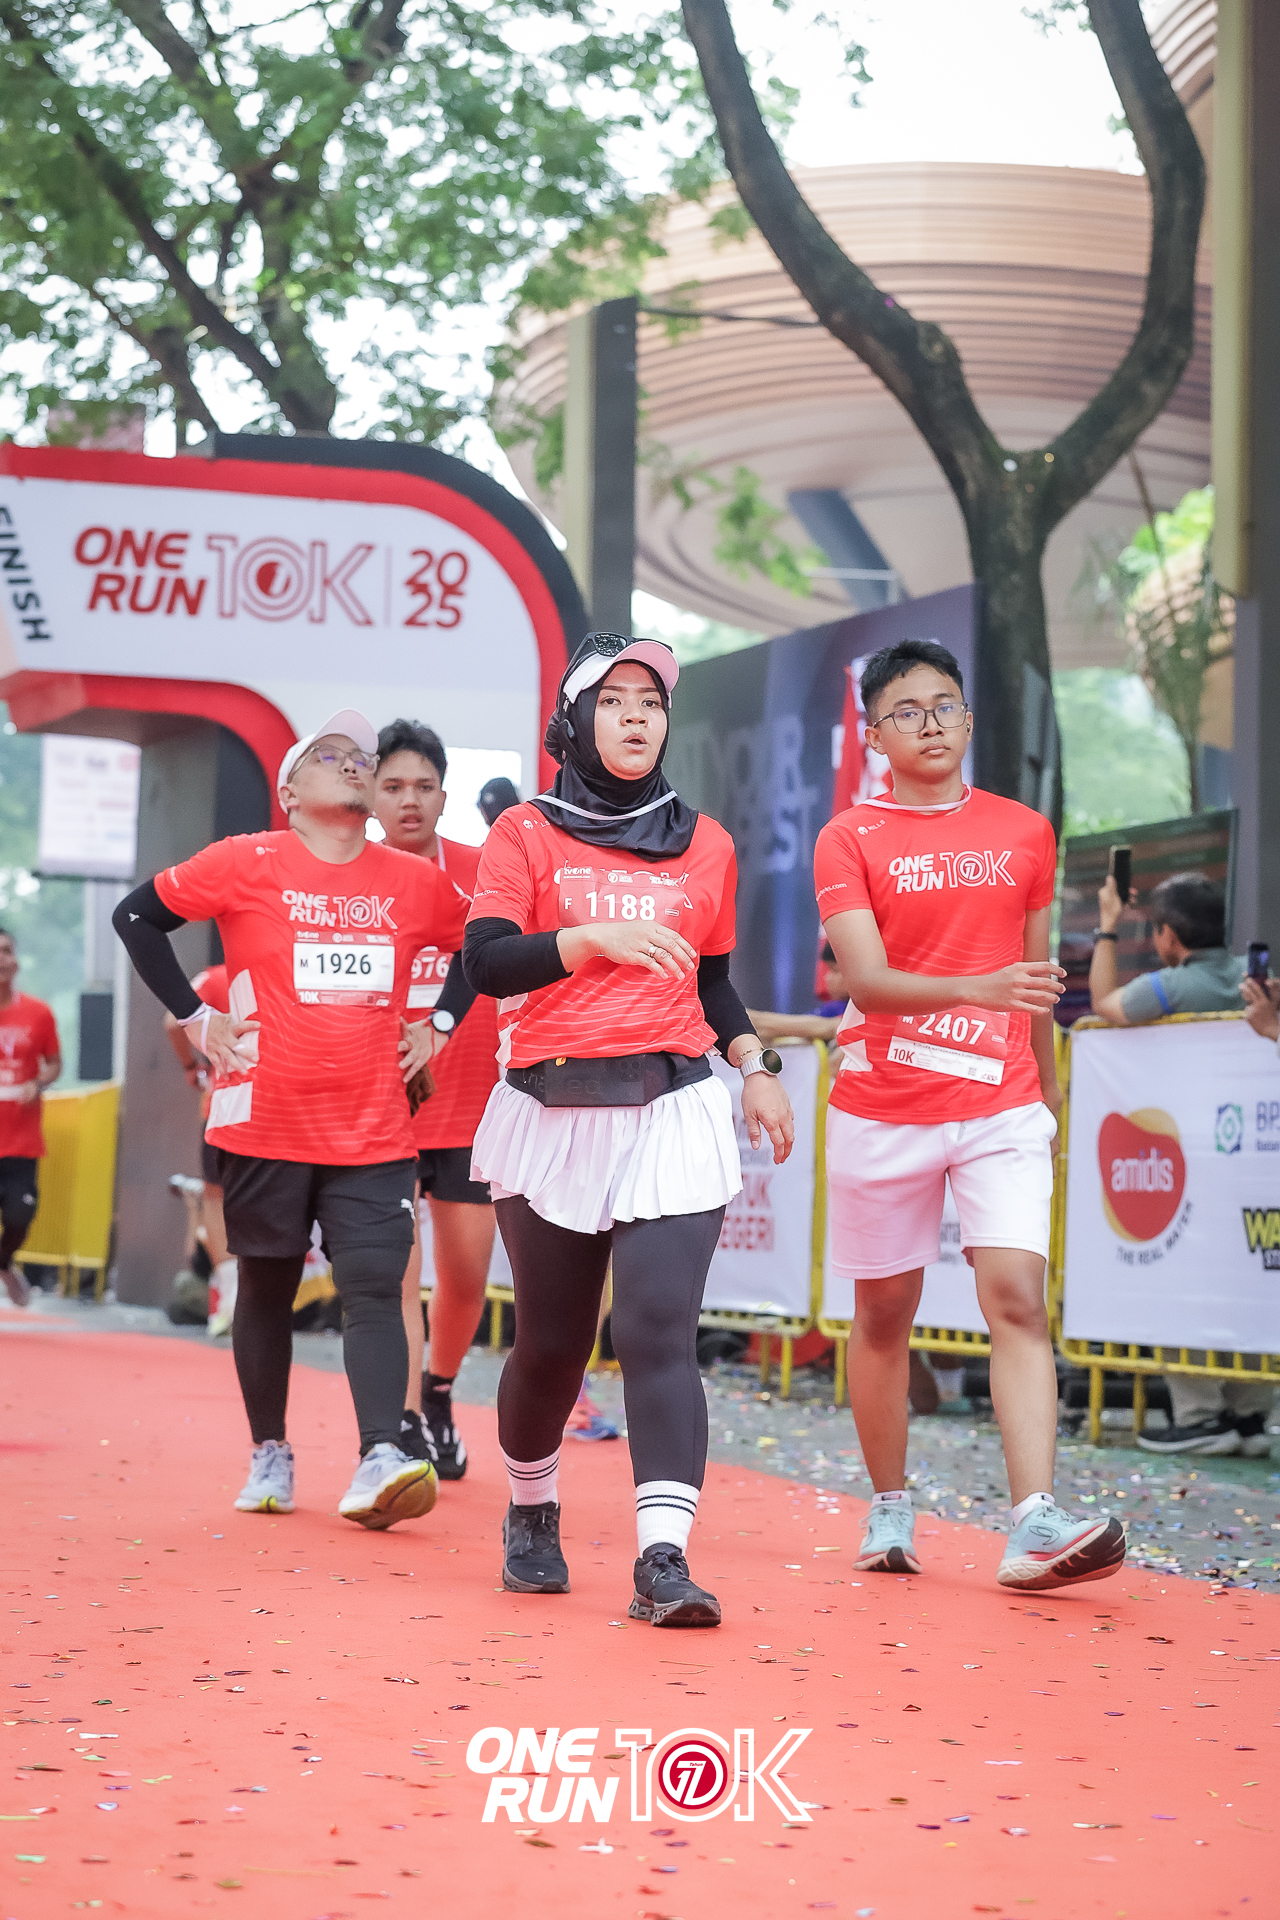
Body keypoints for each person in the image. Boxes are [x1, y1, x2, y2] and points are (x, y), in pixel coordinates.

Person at [463, 632, 794, 1626]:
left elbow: (713, 981)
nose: (636, 714)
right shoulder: (524, 832)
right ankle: (531, 1511)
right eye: (612, 700)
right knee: (551, 1346)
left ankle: (662, 1560)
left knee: (656, 1330)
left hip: (672, 1102)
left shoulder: (707, 843)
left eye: (650, 699)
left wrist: (754, 1067)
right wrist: (586, 940)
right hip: (550, 1107)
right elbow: (486, 962)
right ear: (575, 721)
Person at [815, 638, 1125, 1592]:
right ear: (875, 735)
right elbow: (867, 981)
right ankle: (889, 1503)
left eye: (945, 705)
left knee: (1017, 1297)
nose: (931, 724)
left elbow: (1033, 981)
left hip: (1001, 1104)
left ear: (969, 718)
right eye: (906, 712)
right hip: (883, 1103)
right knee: (884, 1314)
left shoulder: (1025, 831)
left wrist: (1047, 1086)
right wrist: (977, 986)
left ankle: (1034, 1521)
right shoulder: (849, 839)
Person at [113, 710, 472, 1528]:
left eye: (361, 757)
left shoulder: (412, 880)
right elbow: (136, 918)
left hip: (374, 1130)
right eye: (330, 755)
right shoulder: (243, 861)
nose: (354, 764)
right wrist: (194, 1018)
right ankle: (269, 1449)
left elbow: (483, 944)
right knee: (266, 1290)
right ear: (289, 791)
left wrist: (441, 1024)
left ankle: (381, 1453)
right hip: (264, 1125)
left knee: (374, 1288)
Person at [1091, 871, 1272, 1456]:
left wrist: (1108, 927)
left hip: (1188, 1158)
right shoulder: (1255, 980)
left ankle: (1200, 1416)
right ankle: (1251, 1415)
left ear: (1168, 935)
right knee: (1252, 1278)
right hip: (1255, 1159)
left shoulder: (1173, 986)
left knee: (1183, 1279)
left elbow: (1104, 1005)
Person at [372, 718, 500, 1478]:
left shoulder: (483, 871)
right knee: (398, 1278)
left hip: (472, 1109)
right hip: (382, 1115)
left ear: (445, 795)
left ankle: (440, 1390)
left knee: (466, 1276)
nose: (409, 800)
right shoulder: (352, 879)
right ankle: (407, 1424)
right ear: (371, 796)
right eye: (393, 786)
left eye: (423, 786)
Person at [164, 962, 238, 1333]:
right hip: (287, 1110)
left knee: (216, 1196)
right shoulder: (294, 967)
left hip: (226, 1106)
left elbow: (171, 1021)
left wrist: (190, 1066)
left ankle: (232, 1289)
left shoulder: (215, 978)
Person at [0, 928, 61, 1307]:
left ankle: (4, 1261)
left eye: (7, 950)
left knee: (21, 1214)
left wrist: (37, 1084)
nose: (1, 958)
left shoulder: (38, 1013)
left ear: (16, 960)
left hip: (20, 1141)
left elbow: (54, 1063)